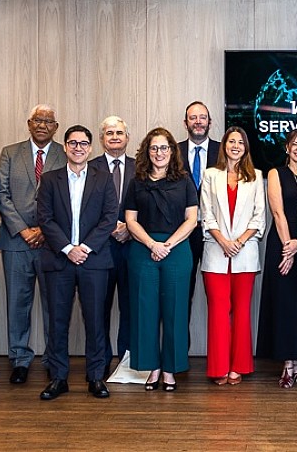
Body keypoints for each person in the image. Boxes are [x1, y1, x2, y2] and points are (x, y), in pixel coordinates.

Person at [36, 126, 119, 400]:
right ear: (65, 147)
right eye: (73, 143)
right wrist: (67, 248)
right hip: (59, 260)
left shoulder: (103, 179)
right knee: (57, 322)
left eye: (83, 143)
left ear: (91, 148)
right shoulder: (50, 179)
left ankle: (96, 377)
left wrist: (84, 248)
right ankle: (58, 378)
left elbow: (109, 217)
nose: (78, 148)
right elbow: (45, 218)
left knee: (95, 321)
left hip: (93, 260)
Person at [124, 128, 199, 392]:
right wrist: (151, 244)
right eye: (154, 148)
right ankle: (152, 368)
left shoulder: (185, 181)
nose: (159, 153)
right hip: (143, 250)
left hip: (176, 250)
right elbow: (130, 220)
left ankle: (170, 369)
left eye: (164, 147)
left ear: (172, 151)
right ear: (147, 151)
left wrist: (167, 245)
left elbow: (192, 219)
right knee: (145, 311)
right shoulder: (137, 182)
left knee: (175, 311)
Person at [0, 104, 66, 385]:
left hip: (53, 243)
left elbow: (69, 197)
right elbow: (1, 194)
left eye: (48, 121)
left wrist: (45, 230)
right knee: (17, 303)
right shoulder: (10, 153)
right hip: (16, 240)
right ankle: (19, 359)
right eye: (38, 120)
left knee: (54, 305)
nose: (42, 125)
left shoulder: (65, 153)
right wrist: (23, 230)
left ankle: (52, 359)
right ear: (29, 123)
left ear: (55, 127)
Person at [199, 126, 265, 385]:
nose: (235, 146)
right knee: (218, 312)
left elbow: (259, 217)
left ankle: (239, 366)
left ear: (245, 147)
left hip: (245, 254)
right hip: (216, 253)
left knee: (241, 312)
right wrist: (224, 242)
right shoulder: (210, 175)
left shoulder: (256, 176)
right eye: (231, 141)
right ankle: (219, 368)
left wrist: (238, 242)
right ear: (224, 146)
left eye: (240, 142)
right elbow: (206, 214)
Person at [256, 129, 297, 388]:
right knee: (284, 303)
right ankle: (287, 364)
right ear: (287, 148)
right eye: (295, 144)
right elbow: (278, 212)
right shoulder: (275, 173)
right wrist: (288, 248)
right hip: (281, 244)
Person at [94, 116, 133, 371]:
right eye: (110, 133)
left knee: (130, 307)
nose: (115, 137)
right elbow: (84, 207)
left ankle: (127, 362)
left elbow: (147, 204)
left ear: (127, 138)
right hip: (100, 249)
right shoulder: (90, 167)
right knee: (99, 308)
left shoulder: (141, 166)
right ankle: (101, 362)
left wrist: (129, 227)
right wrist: (109, 228)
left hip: (132, 247)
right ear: (102, 139)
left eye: (119, 133)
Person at [179, 101, 220, 307]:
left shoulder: (223, 151)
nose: (198, 122)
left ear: (209, 122)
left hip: (216, 234)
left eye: (202, 117)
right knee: (182, 294)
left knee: (218, 296)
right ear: (185, 123)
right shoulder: (173, 152)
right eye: (193, 118)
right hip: (182, 233)